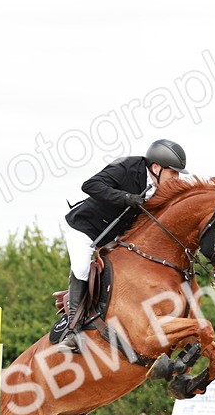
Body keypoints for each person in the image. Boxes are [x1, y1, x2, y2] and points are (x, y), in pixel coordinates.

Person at [58, 139, 188, 351]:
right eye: (173, 172)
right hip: (85, 229)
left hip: (115, 234)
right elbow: (90, 185)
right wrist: (126, 198)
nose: (177, 178)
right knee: (82, 267)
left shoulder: (163, 189)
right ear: (156, 168)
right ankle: (72, 331)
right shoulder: (126, 167)